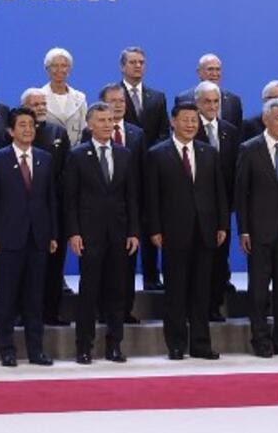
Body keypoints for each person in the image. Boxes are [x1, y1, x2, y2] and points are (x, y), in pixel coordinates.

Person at [146, 101, 230, 360]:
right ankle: (176, 344)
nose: (191, 124)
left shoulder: (208, 152)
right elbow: (152, 197)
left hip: (205, 231)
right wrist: (155, 229)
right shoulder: (157, 153)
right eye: (185, 120)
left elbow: (219, 192)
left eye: (194, 120)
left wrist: (222, 224)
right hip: (173, 232)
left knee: (201, 291)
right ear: (173, 121)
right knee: (175, 292)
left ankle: (201, 344)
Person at [0, 107, 58, 367]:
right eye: (22, 125)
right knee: (7, 298)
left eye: (31, 125)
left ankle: (36, 350)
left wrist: (52, 234)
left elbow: (51, 200)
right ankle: (7, 350)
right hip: (8, 239)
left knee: (34, 298)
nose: (28, 129)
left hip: (38, 238)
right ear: (11, 130)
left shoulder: (45, 158)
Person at [66, 102, 139, 363]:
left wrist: (133, 231)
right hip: (89, 235)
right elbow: (70, 199)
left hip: (119, 235)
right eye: (102, 120)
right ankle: (84, 346)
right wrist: (73, 232)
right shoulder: (77, 155)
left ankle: (114, 345)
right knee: (89, 292)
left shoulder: (124, 154)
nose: (108, 124)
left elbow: (131, 197)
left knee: (117, 291)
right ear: (90, 124)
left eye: (110, 120)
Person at [236, 98, 278, 358]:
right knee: (258, 289)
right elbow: (241, 194)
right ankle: (260, 339)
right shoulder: (249, 148)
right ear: (266, 120)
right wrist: (243, 230)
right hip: (259, 231)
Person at [81, 84, 149, 313]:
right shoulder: (87, 137)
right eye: (113, 101)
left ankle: (124, 311)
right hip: (96, 219)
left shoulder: (136, 134)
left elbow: (140, 174)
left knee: (125, 268)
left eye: (122, 101)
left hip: (127, 211)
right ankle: (101, 310)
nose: (119, 104)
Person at [192, 82, 240, 322]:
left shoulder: (229, 131)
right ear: (197, 103)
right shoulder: (188, 129)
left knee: (220, 260)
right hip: (195, 208)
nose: (212, 106)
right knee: (199, 262)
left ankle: (215, 305)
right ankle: (197, 306)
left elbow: (235, 170)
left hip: (222, 208)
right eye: (207, 102)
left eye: (216, 102)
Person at [23, 87, 72, 325]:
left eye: (43, 104)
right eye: (35, 105)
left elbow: (66, 170)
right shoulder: (14, 134)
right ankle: (24, 314)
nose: (41, 109)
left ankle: (52, 313)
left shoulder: (58, 132)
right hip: (23, 210)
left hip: (53, 209)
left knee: (54, 264)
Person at [175, 53, 244, 131]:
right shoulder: (184, 99)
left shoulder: (233, 101)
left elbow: (238, 134)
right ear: (199, 72)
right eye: (210, 69)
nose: (214, 74)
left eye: (217, 69)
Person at [119, 46, 170, 146]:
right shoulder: (113, 96)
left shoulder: (158, 97)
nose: (138, 65)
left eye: (141, 62)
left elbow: (164, 132)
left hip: (152, 157)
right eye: (133, 62)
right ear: (122, 67)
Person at [41, 47, 87, 146]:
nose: (59, 70)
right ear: (47, 69)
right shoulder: (39, 97)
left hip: (74, 153)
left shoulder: (80, 98)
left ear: (69, 69)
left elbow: (84, 129)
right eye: (54, 66)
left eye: (64, 66)